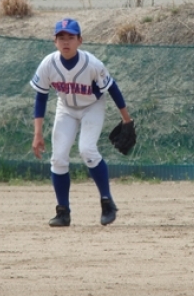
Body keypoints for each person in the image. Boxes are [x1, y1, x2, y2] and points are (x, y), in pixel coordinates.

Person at [30, 17, 133, 227]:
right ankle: (63, 212)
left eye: (71, 37)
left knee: (87, 150)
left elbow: (113, 88)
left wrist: (126, 119)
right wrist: (37, 133)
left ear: (80, 40)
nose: (66, 41)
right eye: (61, 37)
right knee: (58, 158)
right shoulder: (49, 64)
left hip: (92, 107)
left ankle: (107, 202)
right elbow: (41, 97)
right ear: (55, 42)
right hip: (66, 108)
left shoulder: (92, 64)